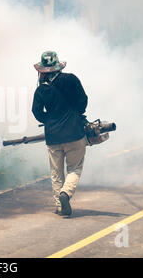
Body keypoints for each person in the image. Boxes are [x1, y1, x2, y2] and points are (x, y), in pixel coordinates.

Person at [31, 51, 88, 217]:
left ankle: (60, 206)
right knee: (75, 168)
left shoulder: (41, 89)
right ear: (57, 67)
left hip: (53, 136)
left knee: (56, 173)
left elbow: (36, 112)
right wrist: (76, 114)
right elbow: (83, 101)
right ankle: (66, 194)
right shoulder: (71, 79)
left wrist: (48, 120)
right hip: (75, 133)